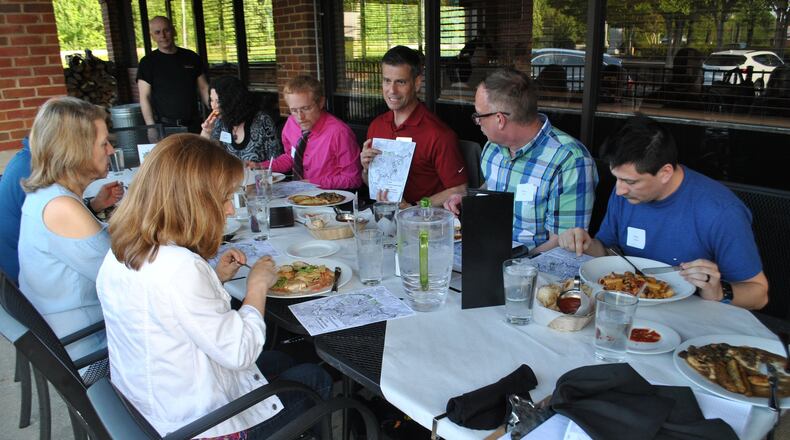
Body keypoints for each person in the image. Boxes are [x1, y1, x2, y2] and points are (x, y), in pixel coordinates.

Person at [96, 134, 332, 438]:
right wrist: (257, 287)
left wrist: (215, 278)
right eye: (224, 199)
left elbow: (167, 309)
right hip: (198, 427)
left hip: (148, 411)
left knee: (283, 359)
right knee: (313, 378)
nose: (230, 210)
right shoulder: (181, 267)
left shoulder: (122, 250)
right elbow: (240, 352)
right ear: (194, 202)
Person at [557, 115, 768, 310]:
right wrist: (584, 243)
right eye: (617, 178)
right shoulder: (625, 193)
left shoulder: (720, 212)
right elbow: (607, 252)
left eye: (630, 181)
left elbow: (759, 294)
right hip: (623, 307)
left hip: (692, 315)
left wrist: (720, 291)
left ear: (665, 172)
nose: (619, 190)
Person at [444, 68, 597, 253]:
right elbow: (494, 185)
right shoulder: (493, 148)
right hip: (486, 250)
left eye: (478, 116)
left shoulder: (569, 161)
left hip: (533, 265)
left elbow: (564, 243)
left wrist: (513, 263)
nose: (477, 122)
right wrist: (469, 199)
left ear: (499, 119)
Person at [18, 97, 122, 360]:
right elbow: (124, 278)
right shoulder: (62, 207)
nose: (111, 150)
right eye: (104, 143)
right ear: (76, 150)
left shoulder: (48, 194)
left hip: (70, 333)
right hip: (91, 348)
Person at [0, 137, 121, 285]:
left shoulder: (32, 161)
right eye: (103, 143)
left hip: (32, 275)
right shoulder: (35, 171)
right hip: (20, 273)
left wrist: (94, 205)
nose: (111, 150)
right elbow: (115, 275)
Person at [360, 45, 468, 207]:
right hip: (384, 215)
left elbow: (459, 190)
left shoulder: (438, 134)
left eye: (400, 82)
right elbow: (370, 183)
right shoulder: (377, 126)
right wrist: (366, 169)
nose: (392, 90)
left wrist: (415, 207)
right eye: (387, 81)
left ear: (417, 83)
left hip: (424, 219)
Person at [262, 75, 361, 190]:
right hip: (298, 193)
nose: (300, 117)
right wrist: (260, 166)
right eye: (294, 110)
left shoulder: (339, 133)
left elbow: (353, 179)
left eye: (306, 108)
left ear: (321, 103)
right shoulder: (290, 123)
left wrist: (311, 183)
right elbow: (291, 158)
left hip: (329, 196)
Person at [137, 16, 209, 134]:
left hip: (194, 125)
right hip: (166, 127)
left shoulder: (191, 57)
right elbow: (144, 97)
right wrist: (151, 127)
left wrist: (216, 111)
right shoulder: (147, 63)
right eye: (157, 32)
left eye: (166, 30)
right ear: (152, 36)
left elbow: (204, 88)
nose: (163, 36)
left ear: (174, 31)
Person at [200, 76, 282, 163]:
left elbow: (275, 161)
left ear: (233, 101)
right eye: (212, 100)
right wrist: (206, 132)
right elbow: (202, 155)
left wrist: (258, 167)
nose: (213, 106)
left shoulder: (262, 121)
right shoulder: (218, 122)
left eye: (219, 101)